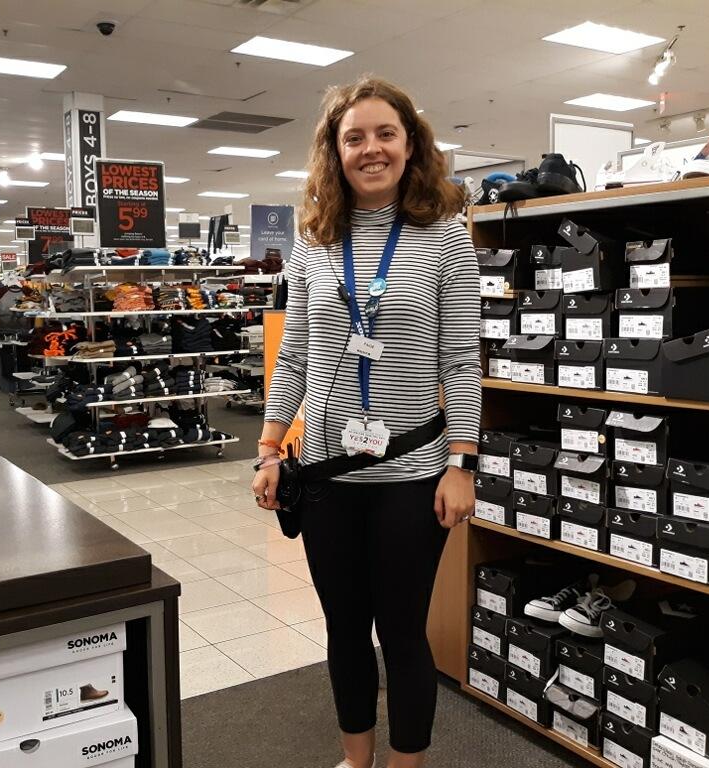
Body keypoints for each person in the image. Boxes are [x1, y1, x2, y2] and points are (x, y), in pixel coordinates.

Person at [253, 76, 481, 768]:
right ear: (335, 150)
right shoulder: (313, 242)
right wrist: (268, 446)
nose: (371, 148)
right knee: (345, 630)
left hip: (412, 475)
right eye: (354, 137)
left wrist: (463, 463)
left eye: (385, 134)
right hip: (323, 475)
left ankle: (405, 766)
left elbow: (464, 361)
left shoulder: (446, 241)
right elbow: (293, 354)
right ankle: (358, 760)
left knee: (402, 633)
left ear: (411, 146)